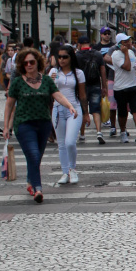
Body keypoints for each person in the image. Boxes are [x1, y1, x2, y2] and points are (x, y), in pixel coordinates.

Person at [4, 48, 78, 203]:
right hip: (24, 124)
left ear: (38, 62)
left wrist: (69, 106)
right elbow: (9, 105)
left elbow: (57, 95)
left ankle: (30, 182)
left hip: (43, 123)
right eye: (26, 63)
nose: (29, 65)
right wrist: (6, 127)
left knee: (36, 157)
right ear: (22, 65)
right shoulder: (17, 82)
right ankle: (38, 189)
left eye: (32, 62)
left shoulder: (46, 80)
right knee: (33, 154)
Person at [48, 45, 88, 184]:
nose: (61, 60)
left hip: (74, 109)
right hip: (58, 109)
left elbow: (82, 95)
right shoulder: (53, 71)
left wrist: (86, 113)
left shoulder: (78, 73)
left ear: (71, 58)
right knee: (61, 144)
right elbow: (49, 92)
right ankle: (65, 173)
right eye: (59, 57)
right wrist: (51, 80)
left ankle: (72, 169)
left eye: (65, 57)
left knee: (70, 142)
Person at [110, 34, 136, 143]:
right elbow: (126, 67)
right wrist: (125, 53)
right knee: (122, 112)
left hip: (132, 85)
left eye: (129, 40)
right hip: (120, 87)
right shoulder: (116, 55)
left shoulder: (131, 52)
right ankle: (123, 131)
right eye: (125, 41)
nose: (128, 43)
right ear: (120, 44)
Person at [75, 37, 107, 144]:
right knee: (96, 109)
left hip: (81, 86)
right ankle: (99, 131)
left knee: (82, 110)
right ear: (89, 43)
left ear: (79, 44)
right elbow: (103, 71)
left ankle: (82, 134)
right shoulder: (97, 54)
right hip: (95, 84)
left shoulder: (77, 56)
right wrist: (104, 87)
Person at [96, 27, 118, 136]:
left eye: (108, 33)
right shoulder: (97, 47)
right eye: (105, 33)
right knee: (103, 98)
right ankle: (104, 117)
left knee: (111, 100)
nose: (107, 35)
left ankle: (109, 119)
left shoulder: (113, 46)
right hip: (100, 75)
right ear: (101, 35)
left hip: (112, 75)